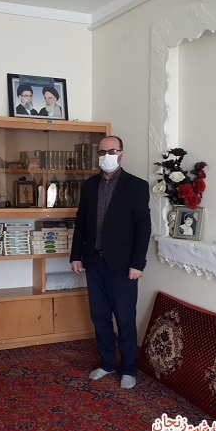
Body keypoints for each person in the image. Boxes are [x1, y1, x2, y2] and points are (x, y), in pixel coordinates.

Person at [70, 136, 151, 389]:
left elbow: (143, 227)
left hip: (123, 266)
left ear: (121, 154)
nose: (107, 156)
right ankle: (106, 363)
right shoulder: (89, 185)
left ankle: (128, 368)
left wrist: (138, 264)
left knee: (125, 319)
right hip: (94, 262)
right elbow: (81, 222)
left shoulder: (137, 186)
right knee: (100, 317)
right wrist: (76, 255)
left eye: (112, 151)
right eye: (102, 152)